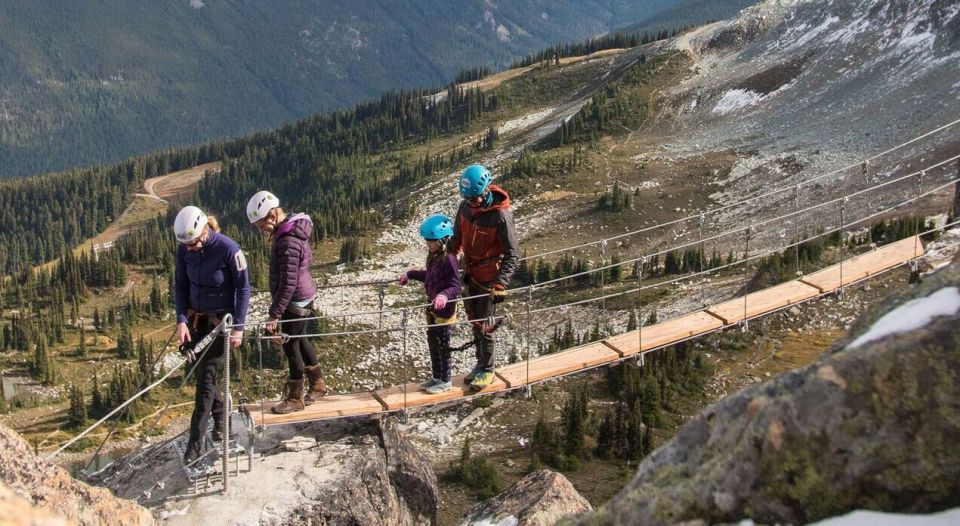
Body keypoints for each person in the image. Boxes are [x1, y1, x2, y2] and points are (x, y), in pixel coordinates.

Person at [173, 205, 249, 463]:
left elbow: (243, 288)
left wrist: (238, 326)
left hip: (220, 325)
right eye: (187, 245)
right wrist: (182, 320)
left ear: (204, 230)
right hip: (197, 321)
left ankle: (195, 444)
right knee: (201, 376)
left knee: (205, 382)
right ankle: (223, 416)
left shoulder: (229, 249)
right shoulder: (184, 249)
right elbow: (181, 285)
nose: (190, 249)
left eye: (193, 244)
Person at [246, 190, 326, 414]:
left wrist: (274, 314)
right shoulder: (292, 230)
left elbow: (288, 283)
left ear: (272, 216)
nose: (261, 230)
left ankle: (294, 398)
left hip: (296, 299)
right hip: (304, 294)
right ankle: (318, 385)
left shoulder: (287, 241)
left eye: (262, 225)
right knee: (301, 340)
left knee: (291, 344)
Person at [450, 164, 519, 390]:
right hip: (471, 274)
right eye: (468, 199)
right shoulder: (465, 208)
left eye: (475, 198)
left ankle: (488, 369)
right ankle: (480, 365)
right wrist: (446, 261)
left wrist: (501, 283)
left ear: (487, 191)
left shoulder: (501, 216)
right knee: (475, 321)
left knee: (485, 324)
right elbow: (456, 240)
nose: (472, 203)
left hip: (489, 279)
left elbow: (512, 253)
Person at [399, 214, 463, 394]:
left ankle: (446, 380)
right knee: (433, 341)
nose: (428, 244)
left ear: (443, 240)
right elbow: (429, 275)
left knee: (443, 343)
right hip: (432, 307)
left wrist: (444, 295)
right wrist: (410, 275)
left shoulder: (449, 258)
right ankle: (436, 377)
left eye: (431, 241)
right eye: (427, 241)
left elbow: (456, 285)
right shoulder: (434, 255)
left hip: (445, 309)